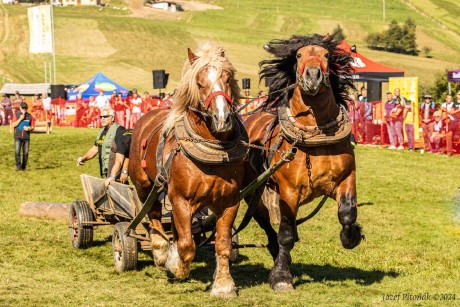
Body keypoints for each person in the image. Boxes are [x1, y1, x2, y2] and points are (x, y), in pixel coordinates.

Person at [77, 108, 124, 178]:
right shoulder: (101, 131)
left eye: (105, 117)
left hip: (116, 172)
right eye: (101, 117)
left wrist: (124, 172)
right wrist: (83, 158)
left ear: (112, 118)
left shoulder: (119, 130)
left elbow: (125, 152)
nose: (102, 119)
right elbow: (95, 148)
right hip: (104, 171)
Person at [12, 102, 35, 171]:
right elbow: (13, 125)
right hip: (18, 136)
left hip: (26, 137)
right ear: (20, 108)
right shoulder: (16, 114)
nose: (24, 109)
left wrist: (29, 128)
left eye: (25, 108)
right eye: (23, 108)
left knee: (26, 153)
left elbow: (33, 127)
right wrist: (20, 119)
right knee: (17, 152)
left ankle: (23, 166)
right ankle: (18, 166)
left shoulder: (29, 116)